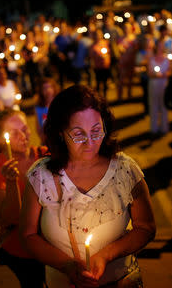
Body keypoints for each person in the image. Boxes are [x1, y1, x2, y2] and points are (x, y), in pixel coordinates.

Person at [20, 85, 156, 288]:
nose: (90, 142)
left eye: (96, 131)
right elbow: (28, 235)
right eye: (78, 134)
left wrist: (107, 254)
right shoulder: (42, 176)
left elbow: (146, 227)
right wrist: (66, 265)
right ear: (60, 133)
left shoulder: (125, 171)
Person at [0, 109, 48, 288]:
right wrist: (11, 182)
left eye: (24, 128)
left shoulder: (45, 155)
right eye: (13, 132)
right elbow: (12, 217)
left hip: (53, 243)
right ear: (0, 139)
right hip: (22, 250)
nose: (23, 136)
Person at [147, 39, 171, 136]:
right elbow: (148, 72)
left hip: (164, 83)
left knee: (164, 105)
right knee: (153, 105)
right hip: (154, 83)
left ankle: (164, 127)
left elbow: (170, 71)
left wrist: (164, 74)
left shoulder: (167, 59)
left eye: (162, 45)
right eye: (159, 45)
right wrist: (155, 74)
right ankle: (154, 128)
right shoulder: (151, 58)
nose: (161, 47)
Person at [34, 77, 60, 144]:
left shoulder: (60, 103)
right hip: (47, 139)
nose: (48, 90)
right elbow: (38, 127)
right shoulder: (39, 108)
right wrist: (42, 138)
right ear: (41, 91)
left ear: (54, 88)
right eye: (44, 88)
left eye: (50, 87)